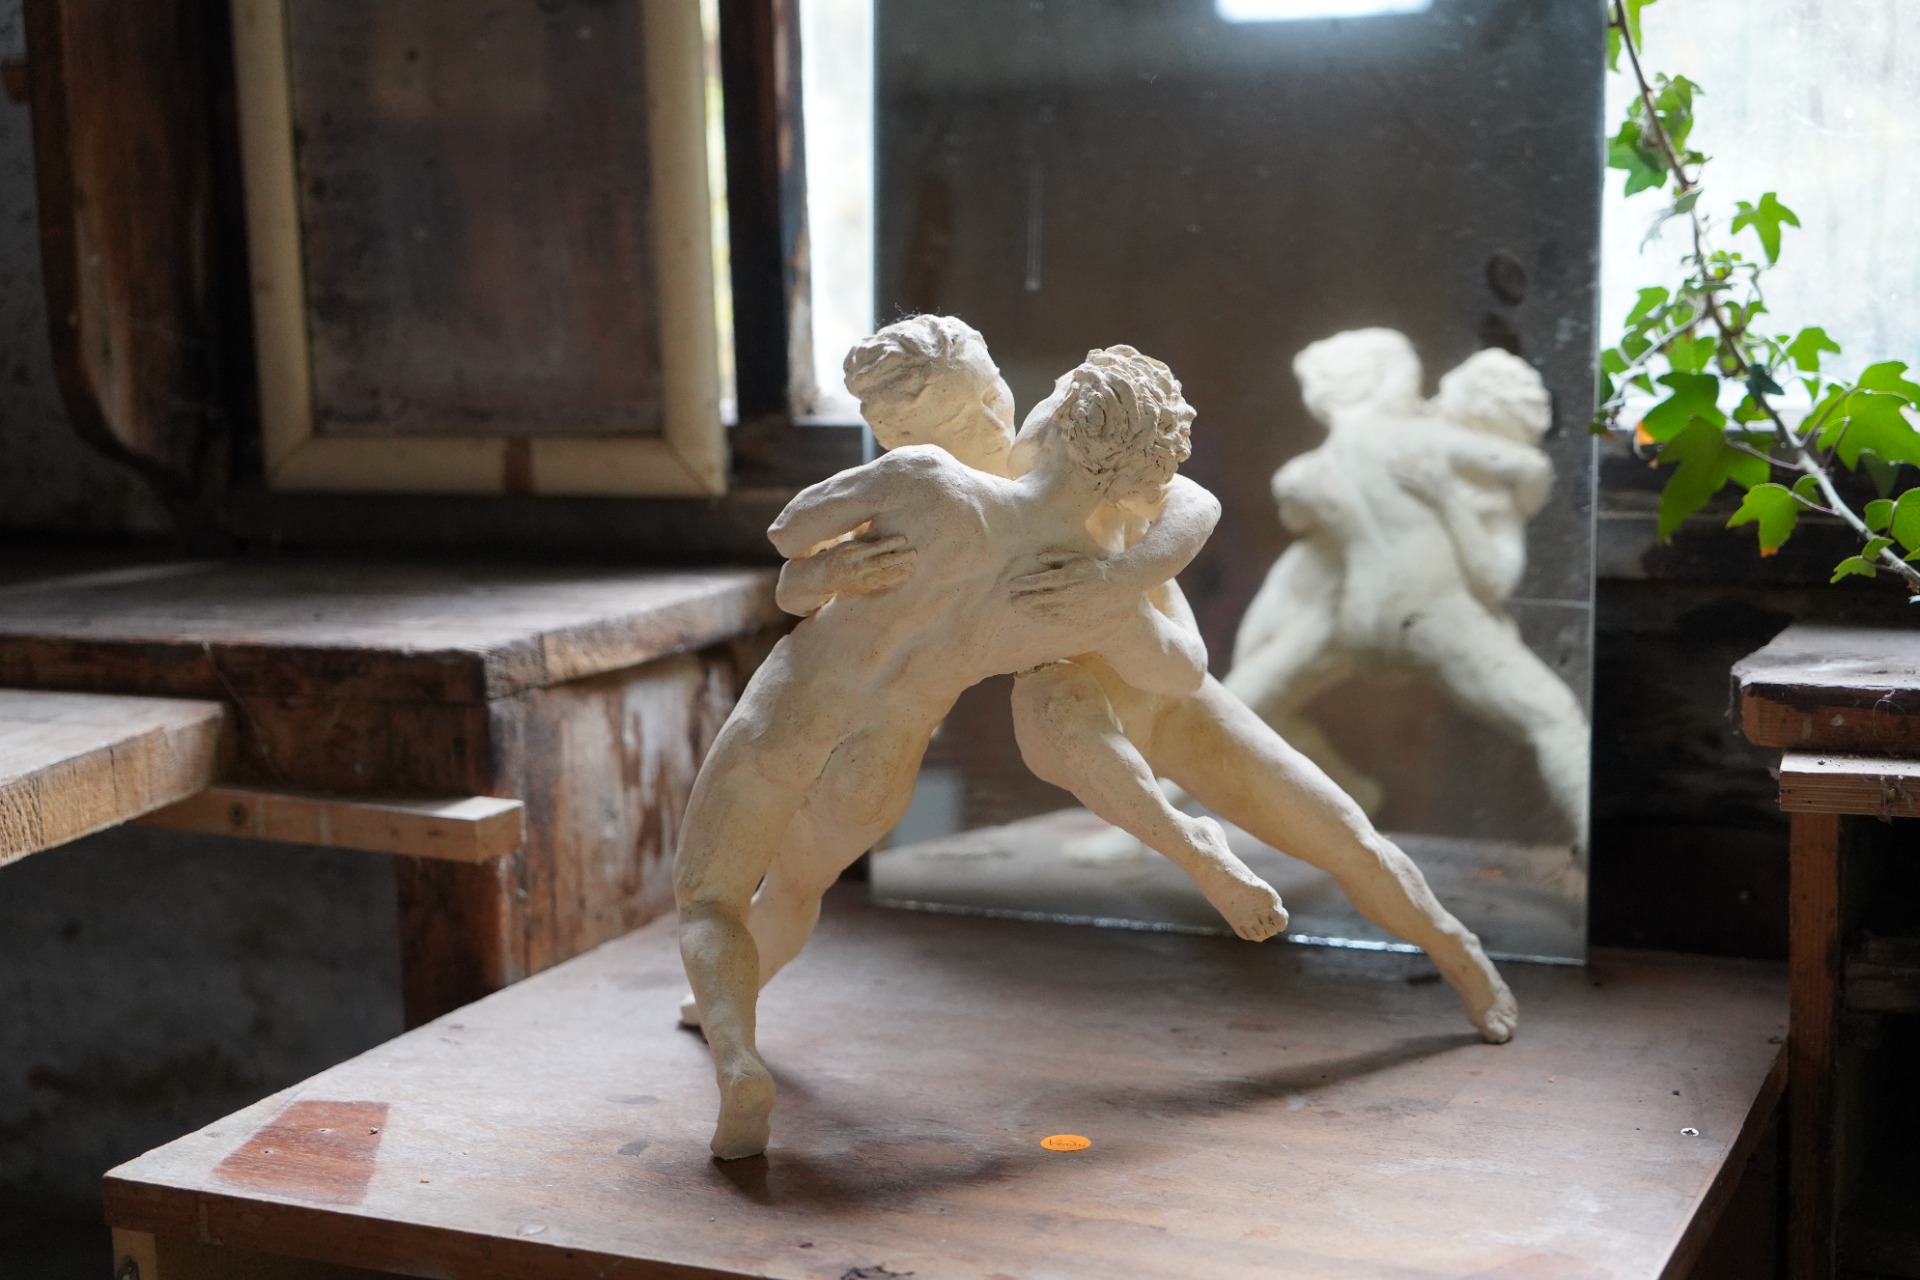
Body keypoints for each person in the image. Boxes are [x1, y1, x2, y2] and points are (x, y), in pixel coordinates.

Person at [786, 317, 1518, 1050]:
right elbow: (798, 582)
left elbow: (1193, 502)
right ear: (897, 439)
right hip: (1076, 710)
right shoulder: (919, 507)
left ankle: (1454, 946)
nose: (988, 418)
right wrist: (833, 572)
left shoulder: (1058, 435)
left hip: (1176, 698)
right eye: (953, 421)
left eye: (991, 391)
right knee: (1047, 704)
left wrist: (1120, 578)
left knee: (1345, 837)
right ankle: (1193, 848)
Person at [675, 344, 1243, 1159]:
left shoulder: (925, 481)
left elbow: (788, 530)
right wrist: (1126, 581)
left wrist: (830, 569)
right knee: (796, 885)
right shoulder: (1069, 592)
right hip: (885, 761)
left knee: (711, 899)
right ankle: (721, 1005)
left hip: (797, 708)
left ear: (1052, 421)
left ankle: (738, 1062)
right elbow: (1183, 662)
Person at [1220, 329, 1590, 853]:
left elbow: (1295, 510)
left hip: (1358, 618)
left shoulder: (1307, 470)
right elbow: (1527, 478)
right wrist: (1500, 496)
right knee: (1556, 717)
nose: (1428, 400)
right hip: (1423, 614)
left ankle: (1342, 792)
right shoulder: (1423, 441)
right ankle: (1593, 839)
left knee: (1241, 704)